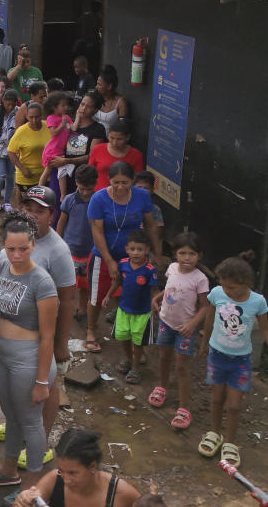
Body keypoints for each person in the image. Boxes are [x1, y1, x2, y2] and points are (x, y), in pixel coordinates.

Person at [0, 212, 58, 488]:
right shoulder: (4, 267)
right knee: (11, 417)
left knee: (31, 422)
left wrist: (41, 380)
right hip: (2, 354)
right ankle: (9, 471)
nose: (17, 255)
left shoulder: (42, 282)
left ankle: (32, 486)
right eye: (11, 249)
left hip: (29, 358)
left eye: (23, 249)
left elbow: (48, 337)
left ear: (33, 245)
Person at [199, 252, 268, 468]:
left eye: (232, 287)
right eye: (224, 286)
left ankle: (230, 442)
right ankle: (214, 432)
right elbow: (210, 318)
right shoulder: (217, 293)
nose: (227, 291)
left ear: (246, 283)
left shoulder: (257, 302)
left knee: (234, 405)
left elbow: (266, 329)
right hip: (216, 355)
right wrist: (203, 344)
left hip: (240, 362)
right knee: (216, 398)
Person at [85, 162, 161, 353]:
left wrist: (156, 253)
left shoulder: (141, 196)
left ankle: (132, 344)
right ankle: (91, 330)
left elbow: (151, 225)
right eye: (116, 182)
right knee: (97, 295)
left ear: (132, 181)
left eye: (125, 182)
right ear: (109, 181)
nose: (120, 187)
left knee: (133, 296)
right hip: (103, 256)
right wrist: (109, 260)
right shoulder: (99, 199)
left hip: (135, 258)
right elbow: (97, 231)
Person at [149, 231, 209, 431]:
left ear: (199, 255)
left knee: (182, 367)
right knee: (164, 357)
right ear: (175, 254)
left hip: (185, 329)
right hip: (166, 322)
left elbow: (205, 307)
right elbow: (170, 289)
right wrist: (157, 298)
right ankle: (162, 387)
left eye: (191, 254)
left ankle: (184, 408)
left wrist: (192, 325)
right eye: (182, 253)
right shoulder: (172, 268)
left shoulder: (200, 279)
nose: (187, 258)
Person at [12, 429, 141, 507]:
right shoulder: (54, 480)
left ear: (92, 466)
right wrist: (23, 501)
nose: (66, 480)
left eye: (73, 473)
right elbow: (32, 498)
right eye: (61, 470)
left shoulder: (122, 494)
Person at [106, 230, 159, 384]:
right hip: (123, 310)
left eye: (140, 249)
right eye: (133, 249)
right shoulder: (122, 264)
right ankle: (127, 359)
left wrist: (156, 305)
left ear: (147, 250)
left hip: (142, 313)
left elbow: (155, 291)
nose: (136, 253)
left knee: (138, 342)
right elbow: (117, 282)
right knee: (123, 336)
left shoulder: (150, 270)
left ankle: (135, 368)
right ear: (127, 249)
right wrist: (108, 296)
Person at [56, 165, 98, 322]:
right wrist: (58, 243)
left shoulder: (98, 200)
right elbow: (61, 222)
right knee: (67, 283)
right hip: (70, 250)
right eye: (82, 188)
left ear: (95, 183)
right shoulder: (70, 200)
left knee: (85, 284)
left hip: (91, 251)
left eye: (89, 189)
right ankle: (65, 307)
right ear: (76, 183)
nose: (85, 192)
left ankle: (82, 308)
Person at [45, 93, 105, 193]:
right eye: (82, 104)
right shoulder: (69, 124)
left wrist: (67, 161)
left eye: (88, 106)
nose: (83, 108)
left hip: (82, 177)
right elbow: (55, 142)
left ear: (95, 110)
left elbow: (92, 156)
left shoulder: (97, 129)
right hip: (61, 172)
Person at [87, 121, 143, 192]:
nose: (114, 142)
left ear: (127, 137)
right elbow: (89, 174)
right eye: (111, 138)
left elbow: (137, 180)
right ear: (107, 135)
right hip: (98, 194)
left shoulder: (136, 155)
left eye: (119, 139)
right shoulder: (97, 149)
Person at [8, 102, 51, 193]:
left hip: (47, 175)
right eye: (31, 117)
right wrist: (22, 169)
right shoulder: (21, 131)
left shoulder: (49, 127)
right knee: (28, 204)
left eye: (37, 117)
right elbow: (11, 152)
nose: (34, 120)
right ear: (26, 116)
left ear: (42, 115)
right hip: (27, 176)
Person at [38, 92, 74, 190]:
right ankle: (39, 189)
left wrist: (78, 116)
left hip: (61, 149)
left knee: (62, 170)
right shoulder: (51, 118)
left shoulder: (66, 117)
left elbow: (74, 128)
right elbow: (53, 133)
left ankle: (62, 194)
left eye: (66, 105)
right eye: (63, 105)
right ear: (54, 107)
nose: (66, 107)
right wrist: (62, 124)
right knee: (48, 170)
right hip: (53, 149)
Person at [92, 65, 127, 134]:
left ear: (109, 86)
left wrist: (122, 120)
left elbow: (122, 122)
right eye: (97, 84)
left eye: (99, 84)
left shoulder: (120, 103)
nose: (96, 87)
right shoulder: (94, 97)